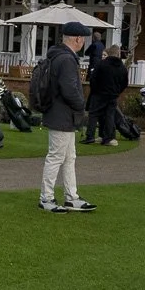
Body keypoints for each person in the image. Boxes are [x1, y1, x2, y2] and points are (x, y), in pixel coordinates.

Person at [38, 22, 94, 212]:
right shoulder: (67, 59)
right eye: (83, 38)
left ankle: (71, 196)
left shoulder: (58, 56)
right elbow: (70, 90)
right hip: (62, 114)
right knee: (56, 157)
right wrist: (81, 106)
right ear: (77, 39)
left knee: (69, 157)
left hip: (60, 114)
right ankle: (46, 198)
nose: (83, 42)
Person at [84, 43, 128, 145]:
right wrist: (117, 92)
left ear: (109, 53)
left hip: (99, 93)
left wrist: (95, 90)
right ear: (118, 54)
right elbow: (124, 83)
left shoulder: (101, 64)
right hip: (113, 95)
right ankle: (108, 138)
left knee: (93, 114)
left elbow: (93, 79)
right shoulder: (122, 67)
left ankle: (90, 136)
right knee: (109, 115)